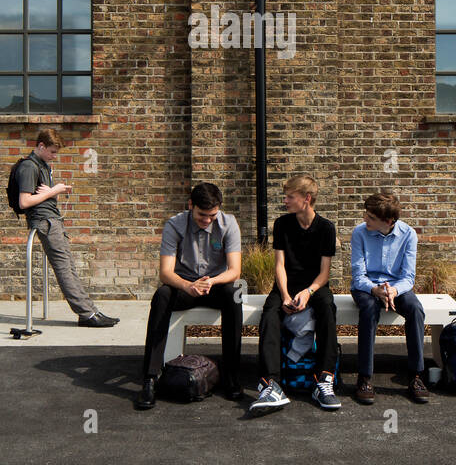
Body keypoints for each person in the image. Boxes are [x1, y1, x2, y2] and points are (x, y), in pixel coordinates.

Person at [136, 182, 243, 410]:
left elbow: (235, 271)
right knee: (161, 296)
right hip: (184, 286)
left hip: (215, 285)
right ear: (190, 205)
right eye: (202, 215)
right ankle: (150, 378)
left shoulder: (229, 223)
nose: (207, 221)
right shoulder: (174, 225)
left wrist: (212, 281)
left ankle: (232, 375)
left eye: (212, 216)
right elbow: (165, 272)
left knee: (235, 294)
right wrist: (187, 286)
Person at [250, 174, 340, 413]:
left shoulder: (326, 228)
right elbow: (279, 265)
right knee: (270, 312)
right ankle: (271, 384)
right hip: (286, 284)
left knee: (327, 309)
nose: (285, 201)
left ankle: (324, 379)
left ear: (306, 199)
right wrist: (286, 296)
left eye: (290, 196)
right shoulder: (282, 224)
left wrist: (308, 292)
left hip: (315, 286)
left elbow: (324, 274)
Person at [12, 128, 119, 328]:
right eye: (52, 152)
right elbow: (24, 202)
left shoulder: (43, 166)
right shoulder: (29, 166)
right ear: (41, 146)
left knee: (69, 267)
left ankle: (90, 310)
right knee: (63, 269)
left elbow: (46, 197)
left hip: (53, 219)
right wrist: (54, 191)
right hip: (45, 222)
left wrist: (54, 193)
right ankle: (86, 314)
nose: (54, 156)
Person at [350, 191, 429, 404]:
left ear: (388, 221)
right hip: (366, 287)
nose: (365, 219)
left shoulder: (408, 235)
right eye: (366, 214)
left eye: (371, 218)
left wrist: (393, 291)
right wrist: (375, 289)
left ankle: (416, 375)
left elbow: (408, 277)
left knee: (415, 308)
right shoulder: (359, 233)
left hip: (396, 287)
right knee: (369, 309)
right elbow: (358, 276)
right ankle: (365, 377)